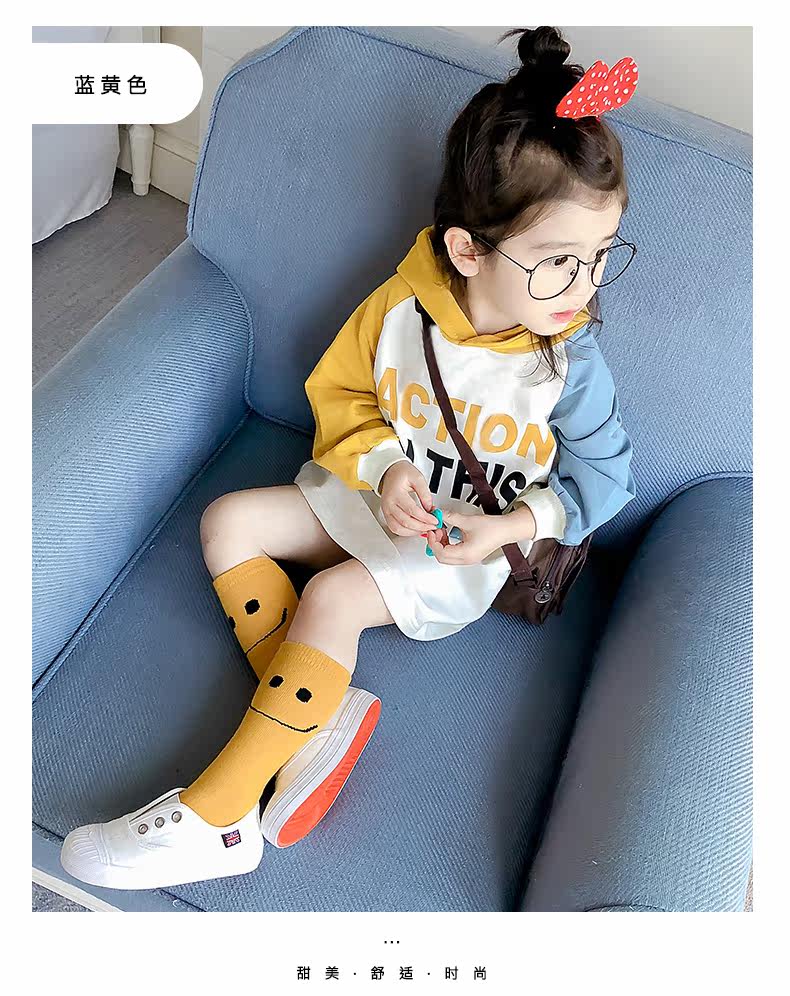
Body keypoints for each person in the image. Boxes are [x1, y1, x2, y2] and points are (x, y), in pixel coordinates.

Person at [60, 25, 638, 891]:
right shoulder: (400, 304)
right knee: (229, 522)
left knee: (330, 597)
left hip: (458, 547)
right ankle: (313, 715)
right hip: (371, 495)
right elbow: (345, 394)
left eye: (599, 258)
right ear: (467, 250)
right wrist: (387, 469)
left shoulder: (568, 360)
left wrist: (505, 528)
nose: (584, 289)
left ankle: (221, 818)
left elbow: (607, 476)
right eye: (558, 263)